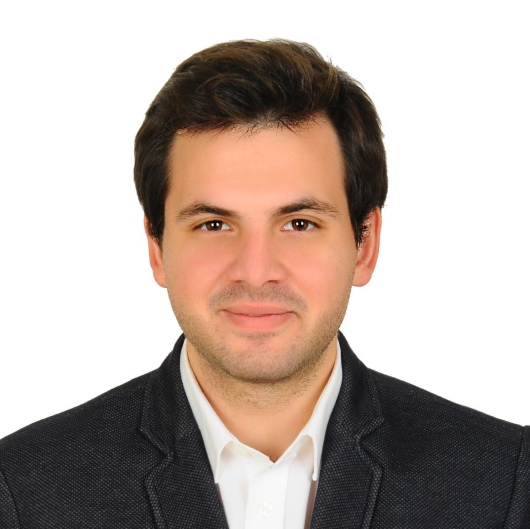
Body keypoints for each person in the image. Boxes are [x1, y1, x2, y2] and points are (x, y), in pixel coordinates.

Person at [0, 39, 528, 529]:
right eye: (214, 225)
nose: (255, 271)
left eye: (299, 223)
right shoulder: (24, 492)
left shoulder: (504, 486)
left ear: (364, 244)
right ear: (157, 248)